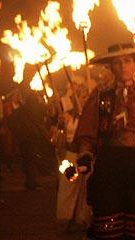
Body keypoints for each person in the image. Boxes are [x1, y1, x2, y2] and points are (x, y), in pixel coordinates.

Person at [74, 43, 135, 239]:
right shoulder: (101, 95)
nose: (123, 66)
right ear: (111, 67)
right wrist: (85, 153)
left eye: (127, 61)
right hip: (109, 162)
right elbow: (88, 128)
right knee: (108, 222)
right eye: (117, 62)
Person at [56, 76, 92, 233]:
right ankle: (65, 219)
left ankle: (81, 220)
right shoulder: (67, 115)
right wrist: (60, 124)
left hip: (86, 157)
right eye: (79, 96)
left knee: (85, 190)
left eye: (84, 97)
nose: (81, 99)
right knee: (67, 187)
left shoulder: (91, 117)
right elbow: (60, 134)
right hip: (70, 156)